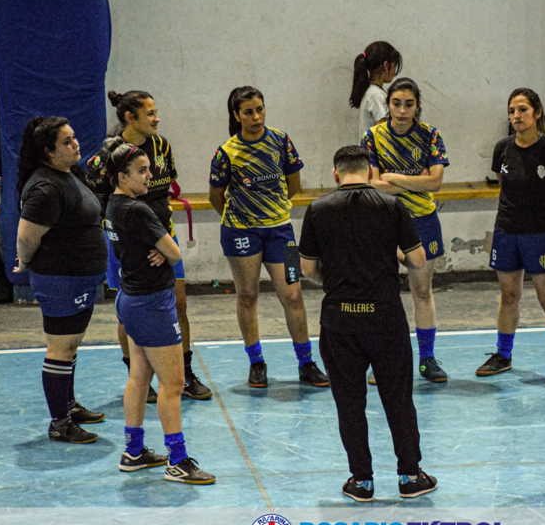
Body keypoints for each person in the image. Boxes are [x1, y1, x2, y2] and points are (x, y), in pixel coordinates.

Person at [299, 145, 437, 502]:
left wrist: (333, 281)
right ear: (370, 171)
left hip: (339, 320)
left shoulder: (317, 209)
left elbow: (307, 270)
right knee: (398, 399)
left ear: (335, 174)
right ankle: (409, 476)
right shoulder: (392, 206)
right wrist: (390, 252)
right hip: (385, 318)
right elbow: (419, 260)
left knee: (349, 402)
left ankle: (361, 480)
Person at [102, 137, 215, 484]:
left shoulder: (113, 205)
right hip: (151, 303)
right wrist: (163, 249)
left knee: (139, 377)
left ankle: (134, 452)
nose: (150, 176)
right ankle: (177, 461)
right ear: (122, 176)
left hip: (130, 300)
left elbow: (145, 246)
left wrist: (157, 249)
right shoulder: (137, 209)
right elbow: (176, 252)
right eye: (142, 171)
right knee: (174, 382)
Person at [87, 90, 211, 402]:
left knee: (178, 302)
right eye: (150, 113)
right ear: (130, 118)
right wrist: (136, 241)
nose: (157, 118)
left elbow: (164, 191)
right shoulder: (108, 154)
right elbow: (100, 200)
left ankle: (186, 372)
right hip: (128, 243)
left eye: (157, 111)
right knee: (127, 310)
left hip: (162, 233)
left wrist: (160, 240)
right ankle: (138, 376)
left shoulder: (161, 145)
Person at [209, 86, 329, 388]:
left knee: (293, 294)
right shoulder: (226, 153)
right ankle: (256, 362)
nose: (256, 116)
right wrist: (244, 217)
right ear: (237, 115)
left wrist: (272, 210)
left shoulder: (281, 141)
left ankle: (306, 362)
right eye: (249, 112)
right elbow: (216, 197)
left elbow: (294, 183)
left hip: (281, 231)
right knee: (247, 295)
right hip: (241, 232)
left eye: (260, 109)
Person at [15, 116, 107, 443]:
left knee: (71, 345)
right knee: (60, 347)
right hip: (59, 280)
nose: (75, 144)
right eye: (66, 142)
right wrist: (24, 261)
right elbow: (26, 237)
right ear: (47, 152)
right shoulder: (44, 186)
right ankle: (59, 423)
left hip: (79, 279)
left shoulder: (68, 174)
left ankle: (67, 405)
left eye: (74, 137)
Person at [475, 88, 545, 385]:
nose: (516, 116)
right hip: (507, 230)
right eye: (512, 111)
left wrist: (544, 218)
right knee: (509, 295)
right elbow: (504, 186)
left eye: (522, 110)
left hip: (541, 232)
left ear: (537, 113)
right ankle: (503, 355)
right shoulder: (502, 148)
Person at [361, 77, 450, 383]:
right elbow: (371, 184)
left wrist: (394, 177)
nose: (401, 110)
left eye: (408, 104)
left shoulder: (430, 136)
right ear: (388, 105)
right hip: (382, 221)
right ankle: (382, 360)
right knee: (382, 295)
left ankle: (427, 359)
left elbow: (435, 183)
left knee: (421, 291)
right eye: (396, 104)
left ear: (417, 106)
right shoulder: (371, 137)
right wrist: (415, 180)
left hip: (423, 221)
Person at [349, 41, 402, 139]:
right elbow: (384, 135)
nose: (394, 72)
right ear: (386, 65)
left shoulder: (372, 92)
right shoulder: (376, 96)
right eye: (394, 66)